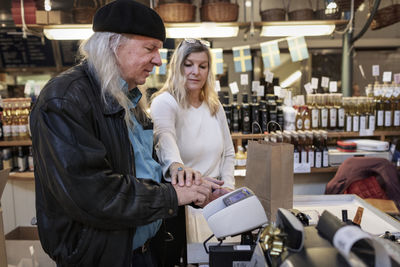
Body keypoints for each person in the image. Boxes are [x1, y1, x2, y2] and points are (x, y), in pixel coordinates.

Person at [29, 1, 220, 266]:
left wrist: (192, 188)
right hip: (102, 257)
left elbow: (142, 171)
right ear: (113, 45)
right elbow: (95, 194)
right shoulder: (63, 101)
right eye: (150, 48)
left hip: (144, 250)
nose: (158, 60)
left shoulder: (128, 98)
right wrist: (173, 196)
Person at [150, 38, 236, 265]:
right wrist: (178, 168)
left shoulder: (214, 106)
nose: (195, 72)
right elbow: (164, 139)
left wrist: (227, 188)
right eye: (188, 64)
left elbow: (228, 152)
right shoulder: (165, 103)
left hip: (215, 203)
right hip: (180, 208)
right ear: (177, 66)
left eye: (202, 66)